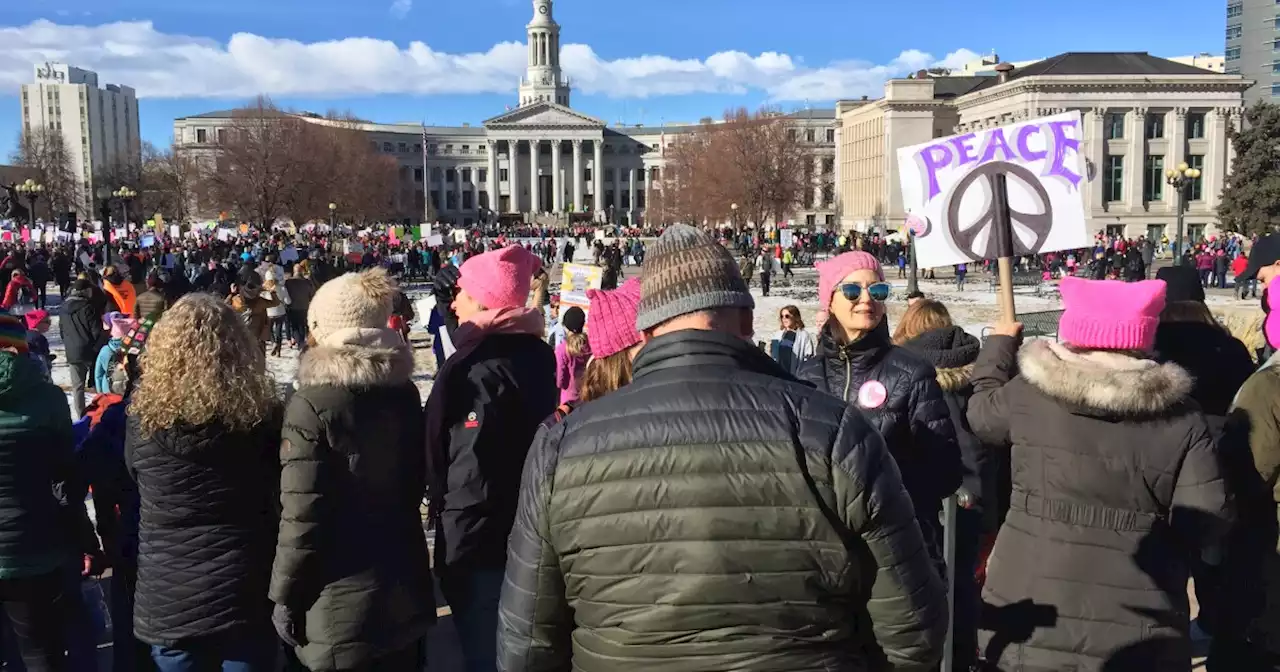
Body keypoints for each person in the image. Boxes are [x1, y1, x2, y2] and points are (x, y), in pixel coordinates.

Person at [498, 224, 949, 670]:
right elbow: (913, 629)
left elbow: (526, 646)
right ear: (749, 321)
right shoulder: (833, 428)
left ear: (647, 333)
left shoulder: (561, 447)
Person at [967, 276, 1231, 669]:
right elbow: (1207, 518)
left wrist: (999, 345)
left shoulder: (1030, 394)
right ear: (1142, 336)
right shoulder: (1182, 415)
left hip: (1029, 599)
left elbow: (980, 415)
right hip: (1139, 613)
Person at [272, 268, 433, 671]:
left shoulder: (311, 404)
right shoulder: (404, 391)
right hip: (403, 583)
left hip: (336, 596)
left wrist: (285, 595)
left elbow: (301, 515)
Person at [125, 294, 283, 671]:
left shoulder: (143, 419)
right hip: (242, 582)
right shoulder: (260, 416)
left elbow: (134, 475)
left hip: (169, 590)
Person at [425, 245, 555, 672]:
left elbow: (472, 471)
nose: (454, 303)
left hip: (481, 541)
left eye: (461, 294)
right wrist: (449, 311)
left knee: (487, 652)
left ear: (481, 301)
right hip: (521, 529)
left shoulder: (482, 370)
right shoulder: (531, 352)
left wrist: (454, 554)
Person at [796, 251, 961, 566]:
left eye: (878, 291)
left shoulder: (910, 372)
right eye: (852, 291)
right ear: (829, 300)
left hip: (895, 549)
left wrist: (881, 494)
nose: (866, 299)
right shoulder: (805, 376)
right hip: (826, 551)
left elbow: (945, 471)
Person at [892, 299, 990, 672]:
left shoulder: (903, 371)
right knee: (963, 586)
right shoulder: (980, 369)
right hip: (977, 496)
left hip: (926, 500)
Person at [0, 312, 101, 671]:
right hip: (34, 545)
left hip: (31, 546)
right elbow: (66, 481)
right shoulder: (47, 399)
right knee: (40, 649)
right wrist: (84, 538)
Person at [60, 279, 106, 419]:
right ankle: (100, 415)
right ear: (86, 291)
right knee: (98, 383)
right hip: (91, 350)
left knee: (77, 387)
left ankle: (81, 416)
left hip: (73, 351)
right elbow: (96, 331)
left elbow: (62, 331)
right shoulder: (88, 307)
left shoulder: (63, 308)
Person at [94, 315, 137, 397]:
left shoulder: (105, 350)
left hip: (107, 390)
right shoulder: (132, 350)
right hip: (127, 390)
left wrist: (100, 394)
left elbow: (98, 375)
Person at [553, 306, 588, 404]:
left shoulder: (562, 349)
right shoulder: (590, 345)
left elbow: (559, 380)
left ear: (565, 326)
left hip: (567, 400)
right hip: (586, 397)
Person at [769, 304, 816, 374]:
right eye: (782, 316)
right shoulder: (777, 335)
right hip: (779, 375)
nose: (784, 319)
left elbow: (808, 358)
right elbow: (773, 355)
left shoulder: (803, 335)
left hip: (796, 375)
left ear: (795, 317)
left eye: (787, 316)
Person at [283, 265, 316, 349]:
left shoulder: (288, 282)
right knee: (302, 325)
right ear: (302, 271)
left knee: (294, 326)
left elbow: (285, 294)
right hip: (304, 306)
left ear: (294, 271)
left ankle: (300, 343)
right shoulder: (307, 282)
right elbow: (312, 294)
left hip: (292, 307)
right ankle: (301, 341)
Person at [23, 310, 52, 381]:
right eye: (47, 322)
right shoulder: (39, 339)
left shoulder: (25, 335)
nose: (50, 324)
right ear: (37, 323)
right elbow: (43, 359)